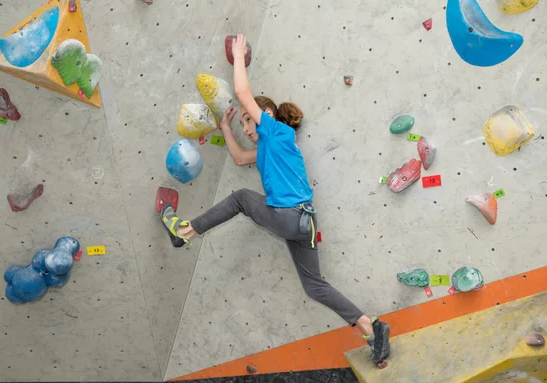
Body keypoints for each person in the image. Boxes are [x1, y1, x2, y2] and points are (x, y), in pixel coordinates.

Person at [160, 34, 390, 364]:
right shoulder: (271, 148)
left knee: (240, 197)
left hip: (289, 216)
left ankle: (184, 233)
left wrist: (238, 56)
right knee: (314, 286)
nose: (247, 128)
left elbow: (242, 92)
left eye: (248, 121)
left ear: (265, 114)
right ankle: (373, 330)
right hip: (303, 225)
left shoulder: (279, 133)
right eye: (243, 124)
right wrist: (226, 128)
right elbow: (240, 158)